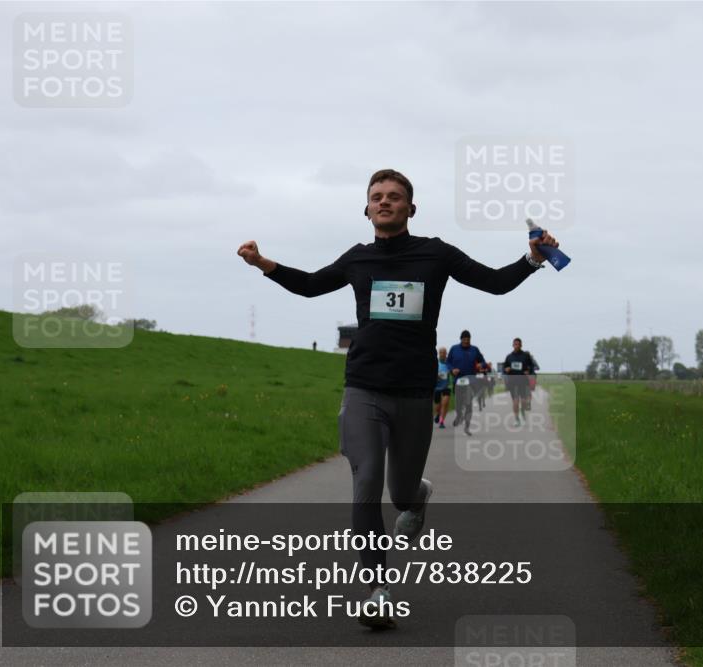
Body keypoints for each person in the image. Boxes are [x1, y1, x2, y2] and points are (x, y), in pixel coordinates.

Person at [237, 169, 558, 629]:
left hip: (413, 392)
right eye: (376, 197)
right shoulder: (357, 260)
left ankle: (418, 496)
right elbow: (309, 285)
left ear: (411, 207)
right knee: (366, 480)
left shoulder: (435, 253)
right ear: (366, 209)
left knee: (401, 491)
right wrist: (263, 263)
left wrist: (532, 259)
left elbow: (494, 282)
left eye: (394, 197)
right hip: (363, 386)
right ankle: (377, 589)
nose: (384, 202)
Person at [447, 330, 487, 436]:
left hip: (471, 381)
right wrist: (452, 370)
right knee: (458, 403)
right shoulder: (454, 349)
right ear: (461, 339)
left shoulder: (474, 350)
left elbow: (483, 361)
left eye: (468, 339)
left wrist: (480, 365)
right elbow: (448, 362)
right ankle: (459, 415)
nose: (466, 341)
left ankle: (467, 427)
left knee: (468, 404)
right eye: (464, 339)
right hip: (458, 380)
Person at [503, 337, 538, 425]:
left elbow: (531, 367)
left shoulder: (525, 356)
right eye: (515, 344)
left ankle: (522, 412)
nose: (516, 346)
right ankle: (516, 419)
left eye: (518, 344)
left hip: (523, 382)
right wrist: (506, 370)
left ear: (521, 345)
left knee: (523, 402)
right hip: (513, 382)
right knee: (515, 401)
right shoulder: (509, 357)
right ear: (512, 345)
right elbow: (504, 368)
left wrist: (529, 371)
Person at [434, 347, 451, 428]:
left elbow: (453, 371)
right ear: (439, 354)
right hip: (437, 387)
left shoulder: (449, 363)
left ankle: (441, 421)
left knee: (445, 403)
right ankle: (438, 414)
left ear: (446, 354)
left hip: (446, 386)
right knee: (437, 406)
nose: (443, 354)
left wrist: (451, 373)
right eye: (441, 352)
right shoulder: (435, 363)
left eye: (444, 352)